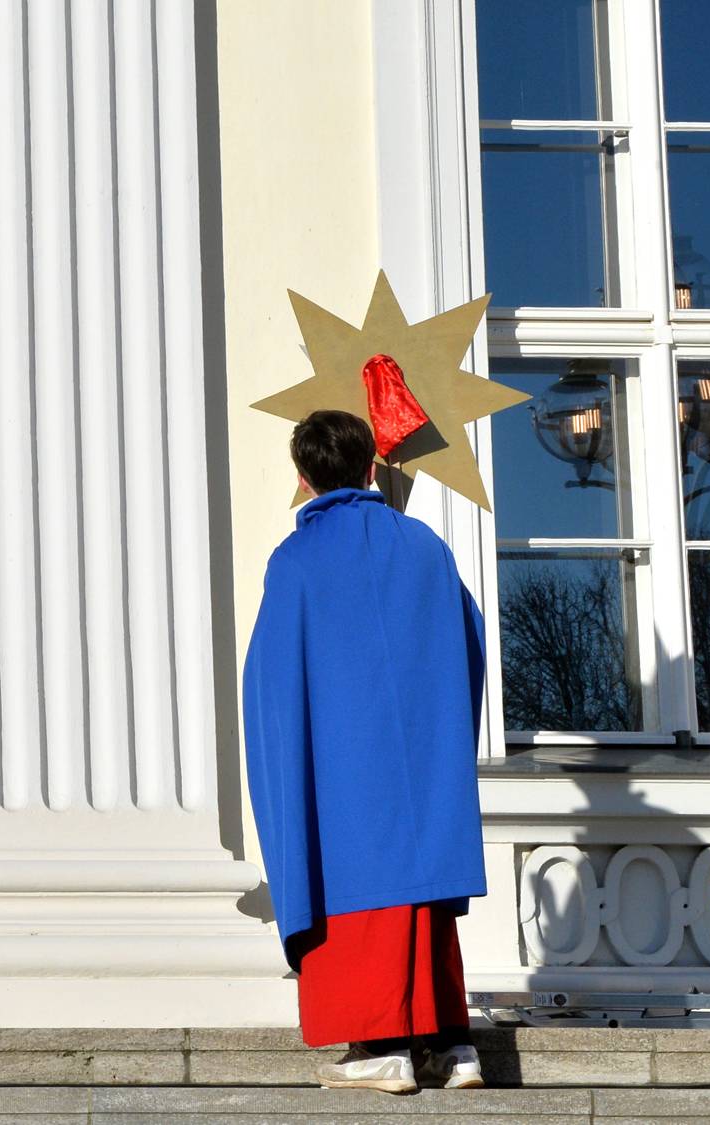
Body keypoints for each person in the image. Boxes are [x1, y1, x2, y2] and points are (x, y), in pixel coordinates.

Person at [244, 409, 490, 1094]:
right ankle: (450, 1044)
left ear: (303, 476)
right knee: (422, 906)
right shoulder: (425, 546)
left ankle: (380, 1045)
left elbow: (271, 678)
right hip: (420, 765)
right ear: (371, 466)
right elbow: (469, 643)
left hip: (341, 773)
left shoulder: (296, 561)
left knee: (360, 898)